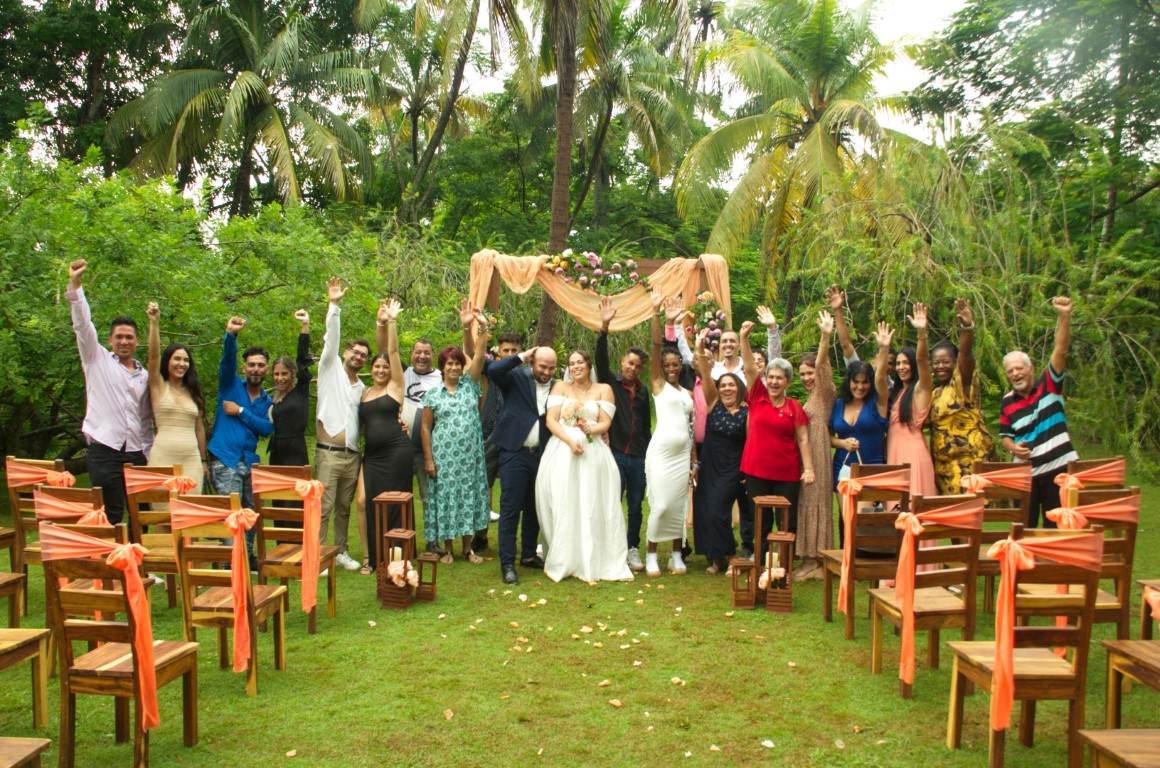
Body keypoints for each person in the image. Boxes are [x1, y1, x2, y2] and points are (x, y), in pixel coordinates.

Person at [65, 259, 153, 526]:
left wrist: (148, 452)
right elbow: (83, 325)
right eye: (119, 337)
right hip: (105, 450)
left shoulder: (145, 375)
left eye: (129, 337)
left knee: (142, 516)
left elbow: (145, 418)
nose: (124, 341)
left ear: (137, 341)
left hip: (137, 453)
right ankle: (113, 566)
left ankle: (142, 567)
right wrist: (76, 284)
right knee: (111, 515)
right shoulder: (96, 360)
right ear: (110, 340)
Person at [535, 350, 632, 583]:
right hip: (562, 449)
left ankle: (595, 556)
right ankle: (564, 554)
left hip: (593, 450)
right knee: (563, 499)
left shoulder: (603, 389)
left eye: (580, 362)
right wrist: (570, 441)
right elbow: (551, 420)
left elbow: (606, 422)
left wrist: (592, 430)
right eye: (571, 363)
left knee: (593, 500)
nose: (575, 366)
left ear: (588, 365)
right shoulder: (561, 387)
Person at [999, 296, 1077, 528]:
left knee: (1058, 530)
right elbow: (1005, 436)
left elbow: (1060, 351)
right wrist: (1013, 448)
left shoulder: (1049, 386)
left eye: (1019, 368)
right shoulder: (1007, 402)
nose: (1015, 374)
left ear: (1031, 369)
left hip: (1058, 469)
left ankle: (1057, 564)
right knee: (1024, 529)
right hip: (1025, 476)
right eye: (1010, 371)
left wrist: (1064, 316)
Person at [420, 303, 490, 565]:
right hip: (444, 456)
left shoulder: (469, 386)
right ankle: (448, 549)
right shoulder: (433, 394)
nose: (453, 368)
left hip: (470, 454)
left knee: (469, 496)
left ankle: (468, 549)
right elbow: (425, 427)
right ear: (442, 366)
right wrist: (429, 459)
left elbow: (480, 356)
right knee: (447, 499)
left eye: (457, 363)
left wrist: (479, 327)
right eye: (449, 363)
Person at [739, 321, 814, 560]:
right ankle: (759, 565)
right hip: (756, 471)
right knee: (761, 521)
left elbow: (803, 439)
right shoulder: (757, 396)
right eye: (770, 377)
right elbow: (750, 368)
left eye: (779, 378)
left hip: (786, 475)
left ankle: (784, 568)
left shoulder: (794, 407)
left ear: (788, 382)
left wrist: (809, 469)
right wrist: (744, 338)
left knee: (786, 523)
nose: (773, 382)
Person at [206, 314, 273, 566]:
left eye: (260, 365)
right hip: (226, 459)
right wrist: (231, 335)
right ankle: (230, 564)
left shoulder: (266, 401)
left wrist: (242, 412)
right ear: (244, 367)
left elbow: (266, 428)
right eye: (251, 364)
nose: (256, 369)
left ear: (266, 369)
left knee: (252, 512)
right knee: (232, 513)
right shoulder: (230, 385)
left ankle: (246, 556)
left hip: (249, 462)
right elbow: (226, 361)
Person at [489, 345, 558, 585]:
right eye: (542, 366)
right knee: (510, 508)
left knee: (535, 506)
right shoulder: (517, 378)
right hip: (515, 452)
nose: (547, 372)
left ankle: (528, 555)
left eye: (551, 367)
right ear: (532, 363)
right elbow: (494, 370)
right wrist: (520, 357)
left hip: (543, 454)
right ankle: (507, 562)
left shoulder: (559, 387)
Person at [314, 278, 368, 572]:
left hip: (352, 455)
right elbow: (330, 339)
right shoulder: (329, 367)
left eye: (363, 355)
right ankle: (321, 555)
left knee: (343, 508)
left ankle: (340, 551)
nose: (358, 357)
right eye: (355, 352)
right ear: (346, 352)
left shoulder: (361, 387)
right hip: (328, 453)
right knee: (323, 507)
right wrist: (334, 306)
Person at [595, 297, 651, 572]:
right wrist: (604, 327)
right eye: (630, 363)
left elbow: (645, 426)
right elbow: (600, 359)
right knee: (612, 501)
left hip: (638, 456)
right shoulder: (610, 382)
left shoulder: (642, 391)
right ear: (623, 362)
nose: (632, 368)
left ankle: (632, 548)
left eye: (638, 366)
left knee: (636, 506)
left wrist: (648, 455)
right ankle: (610, 546)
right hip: (614, 452)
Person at [357, 298, 412, 574]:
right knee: (363, 501)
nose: (380, 370)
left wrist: (391, 321)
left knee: (393, 502)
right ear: (371, 369)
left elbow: (390, 349)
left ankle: (395, 554)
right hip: (373, 456)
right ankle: (369, 556)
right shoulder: (364, 392)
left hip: (397, 452)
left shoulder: (396, 386)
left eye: (385, 367)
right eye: (376, 367)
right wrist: (378, 322)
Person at [643, 297, 696, 577]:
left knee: (678, 505)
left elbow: (690, 427)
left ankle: (676, 554)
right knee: (661, 505)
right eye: (668, 364)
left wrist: (693, 460)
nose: (673, 368)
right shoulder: (658, 385)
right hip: (662, 454)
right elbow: (654, 346)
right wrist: (657, 314)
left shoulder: (688, 395)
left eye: (676, 364)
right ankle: (651, 553)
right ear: (662, 367)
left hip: (682, 456)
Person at [830, 322, 893, 545]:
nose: (860, 387)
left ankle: (866, 564)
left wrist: (884, 349)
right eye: (856, 382)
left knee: (862, 522)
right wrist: (841, 442)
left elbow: (881, 379)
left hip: (870, 468)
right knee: (847, 519)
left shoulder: (879, 402)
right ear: (850, 382)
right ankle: (848, 567)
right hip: (842, 467)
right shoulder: (839, 404)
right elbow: (828, 436)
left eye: (865, 382)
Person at [692, 329, 749, 574]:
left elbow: (750, 442)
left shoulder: (747, 412)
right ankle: (716, 558)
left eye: (731, 385)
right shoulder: (714, 403)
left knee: (717, 511)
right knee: (705, 511)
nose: (727, 389)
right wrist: (699, 345)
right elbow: (705, 373)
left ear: (739, 389)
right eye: (723, 385)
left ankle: (733, 554)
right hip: (710, 464)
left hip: (733, 467)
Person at [930, 298, 994, 495]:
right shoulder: (935, 393)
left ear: (955, 363)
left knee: (968, 517)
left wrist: (967, 327)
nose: (941, 366)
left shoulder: (961, 383)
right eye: (936, 362)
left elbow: (966, 356)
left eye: (946, 362)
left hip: (968, 464)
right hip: (944, 470)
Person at [145, 302, 206, 491]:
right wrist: (154, 323)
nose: (182, 364)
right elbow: (153, 357)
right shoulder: (158, 386)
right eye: (177, 359)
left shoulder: (194, 391)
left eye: (186, 360)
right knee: (163, 516)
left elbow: (199, 429)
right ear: (168, 361)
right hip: (162, 458)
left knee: (191, 516)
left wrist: (203, 461)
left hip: (191, 460)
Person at [471, 331, 523, 554]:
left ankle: (508, 537)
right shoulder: (491, 369)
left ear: (520, 350)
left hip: (514, 436)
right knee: (483, 484)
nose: (510, 353)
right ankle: (480, 534)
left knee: (512, 488)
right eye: (506, 350)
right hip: (489, 433)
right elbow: (473, 353)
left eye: (514, 350)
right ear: (499, 352)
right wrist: (477, 330)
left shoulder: (525, 373)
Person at [794, 310, 836, 581]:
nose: (806, 377)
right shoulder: (811, 397)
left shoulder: (824, 391)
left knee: (815, 503)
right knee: (808, 503)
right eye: (802, 374)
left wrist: (824, 337)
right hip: (810, 454)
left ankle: (816, 560)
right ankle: (813, 559)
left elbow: (822, 366)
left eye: (809, 373)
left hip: (818, 457)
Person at [887, 303, 936, 499]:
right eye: (898, 363)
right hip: (894, 453)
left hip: (913, 455)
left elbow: (923, 360)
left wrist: (921, 333)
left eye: (906, 362)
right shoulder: (897, 391)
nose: (901, 367)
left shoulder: (920, 388)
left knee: (914, 507)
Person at [402, 338, 443, 552]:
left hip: (426, 451)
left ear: (432, 355)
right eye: (418, 352)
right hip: (400, 450)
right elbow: (385, 348)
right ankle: (404, 541)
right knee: (402, 497)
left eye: (427, 352)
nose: (422, 357)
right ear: (411, 354)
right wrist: (386, 322)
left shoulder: (441, 378)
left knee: (429, 498)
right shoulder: (404, 374)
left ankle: (432, 541)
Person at [268, 309, 312, 468]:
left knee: (295, 493)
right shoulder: (274, 398)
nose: (280, 378)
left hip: (296, 454)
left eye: (284, 374)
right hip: (277, 453)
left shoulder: (300, 391)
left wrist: (304, 327)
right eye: (276, 374)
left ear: (293, 373)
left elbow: (302, 360)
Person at [830, 285, 895, 382]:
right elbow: (846, 345)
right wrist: (838, 310)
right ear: (872, 362)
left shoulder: (893, 388)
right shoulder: (860, 373)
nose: (885, 365)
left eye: (889, 363)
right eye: (882, 360)